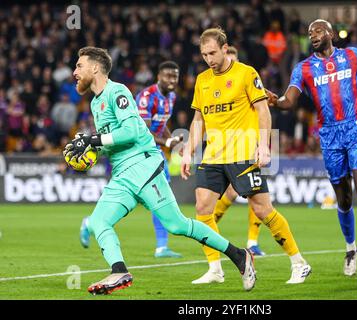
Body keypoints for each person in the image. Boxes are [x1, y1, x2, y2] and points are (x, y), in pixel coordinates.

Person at [65, 46, 256, 295]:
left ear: (95, 67)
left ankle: (240, 256)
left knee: (176, 225)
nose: (75, 72)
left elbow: (132, 132)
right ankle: (119, 270)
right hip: (122, 175)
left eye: (79, 66)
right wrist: (89, 153)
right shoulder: (96, 103)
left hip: (144, 166)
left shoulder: (117, 91)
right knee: (99, 221)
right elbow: (111, 141)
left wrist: (94, 140)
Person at [268, 19, 357, 284]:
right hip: (329, 135)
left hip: (356, 128)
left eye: (317, 31)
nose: (312, 35)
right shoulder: (303, 69)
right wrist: (276, 101)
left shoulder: (352, 55)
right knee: (344, 200)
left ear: (329, 34)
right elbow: (289, 100)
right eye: (309, 33)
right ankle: (351, 249)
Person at [180, 28, 311, 285]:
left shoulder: (246, 73)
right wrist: (188, 150)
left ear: (225, 48)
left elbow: (263, 111)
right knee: (202, 208)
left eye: (213, 53)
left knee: (262, 210)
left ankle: (299, 262)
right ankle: (215, 268)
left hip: (243, 154)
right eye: (204, 54)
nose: (209, 59)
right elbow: (198, 120)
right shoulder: (202, 80)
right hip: (213, 156)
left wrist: (264, 146)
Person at [79, 61, 183, 259]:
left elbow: (161, 124)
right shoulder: (146, 97)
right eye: (168, 76)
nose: (172, 80)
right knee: (137, 199)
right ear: (158, 76)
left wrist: (170, 139)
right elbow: (142, 131)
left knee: (153, 197)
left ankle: (161, 246)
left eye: (175, 77)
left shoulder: (171, 96)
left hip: (152, 151)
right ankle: (92, 223)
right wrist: (168, 142)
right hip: (134, 151)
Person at [210, 45, 266, 256]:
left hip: (250, 144)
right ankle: (211, 225)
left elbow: (262, 109)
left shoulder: (247, 77)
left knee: (254, 195)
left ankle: (252, 241)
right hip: (225, 146)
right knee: (233, 193)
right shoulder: (216, 83)